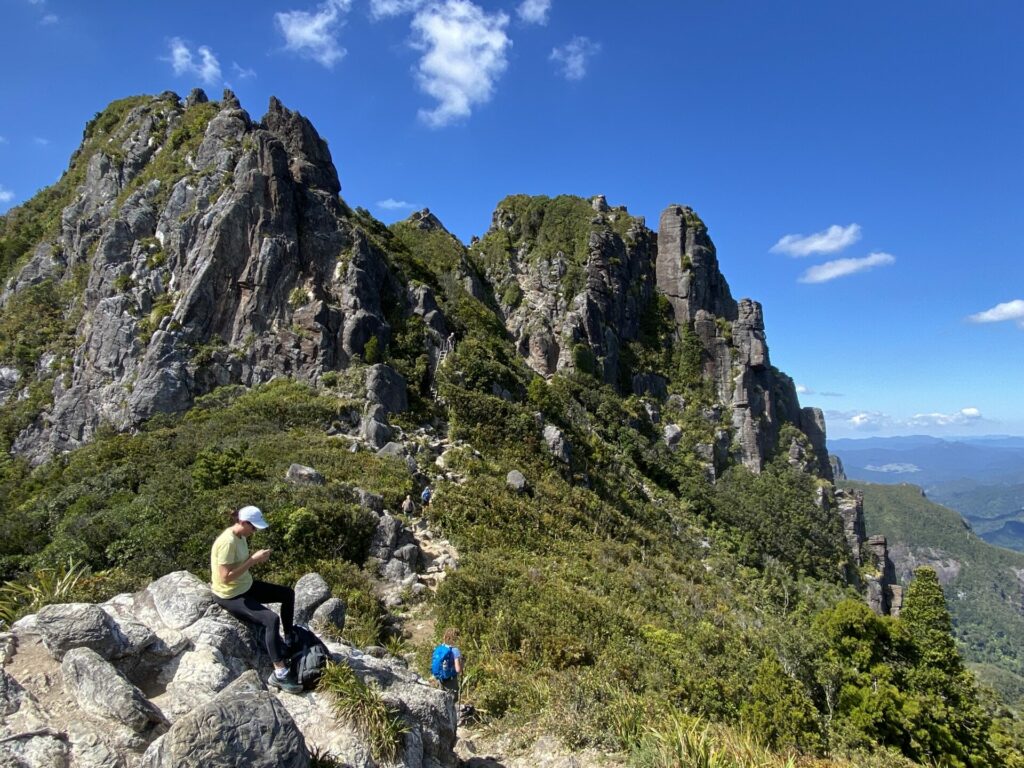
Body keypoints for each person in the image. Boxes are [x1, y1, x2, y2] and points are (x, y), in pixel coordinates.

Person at [210, 505, 302, 694]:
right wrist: (253, 560)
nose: (254, 531)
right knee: (271, 620)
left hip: (246, 585)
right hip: (231, 594)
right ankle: (280, 672)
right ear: (243, 523)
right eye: (253, 527)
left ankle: (290, 637)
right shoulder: (227, 542)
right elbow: (225, 577)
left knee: (287, 594)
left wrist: (255, 559)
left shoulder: (240, 536)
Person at [434, 627, 463, 702]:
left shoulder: (440, 647)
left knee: (442, 700)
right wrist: (462, 664)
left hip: (440, 679)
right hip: (451, 681)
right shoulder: (455, 650)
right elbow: (458, 669)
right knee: (452, 700)